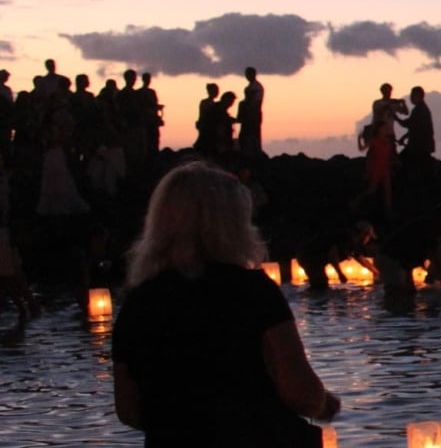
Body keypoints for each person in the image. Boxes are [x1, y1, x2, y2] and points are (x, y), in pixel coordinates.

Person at [111, 162, 341, 446]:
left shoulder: (139, 303)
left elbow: (128, 409)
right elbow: (300, 391)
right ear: (232, 225)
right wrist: (323, 404)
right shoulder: (252, 291)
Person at [355, 84, 406, 214]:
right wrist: (391, 104)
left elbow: (405, 112)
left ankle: (388, 208)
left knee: (389, 163)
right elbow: (379, 113)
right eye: (386, 91)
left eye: (389, 91)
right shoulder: (377, 103)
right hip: (378, 134)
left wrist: (402, 103)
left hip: (389, 134)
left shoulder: (392, 104)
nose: (388, 93)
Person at [294, 222, 377, 291]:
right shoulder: (344, 238)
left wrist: (377, 273)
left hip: (313, 258)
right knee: (320, 285)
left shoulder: (353, 243)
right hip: (308, 256)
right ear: (364, 234)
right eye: (369, 237)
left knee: (321, 285)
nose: (368, 240)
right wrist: (340, 274)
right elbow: (332, 255)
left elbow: (364, 261)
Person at [397, 86, 434, 184]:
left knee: (401, 163)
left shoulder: (419, 110)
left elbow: (408, 124)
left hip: (419, 147)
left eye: (412, 95)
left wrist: (395, 118)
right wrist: (404, 137)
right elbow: (415, 128)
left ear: (418, 96)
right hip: (422, 146)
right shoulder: (421, 109)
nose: (411, 98)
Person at [238, 67, 265, 158]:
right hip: (250, 115)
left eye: (249, 74)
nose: (247, 76)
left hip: (253, 115)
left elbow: (255, 103)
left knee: (252, 136)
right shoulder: (253, 87)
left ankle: (254, 154)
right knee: (247, 136)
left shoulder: (256, 87)